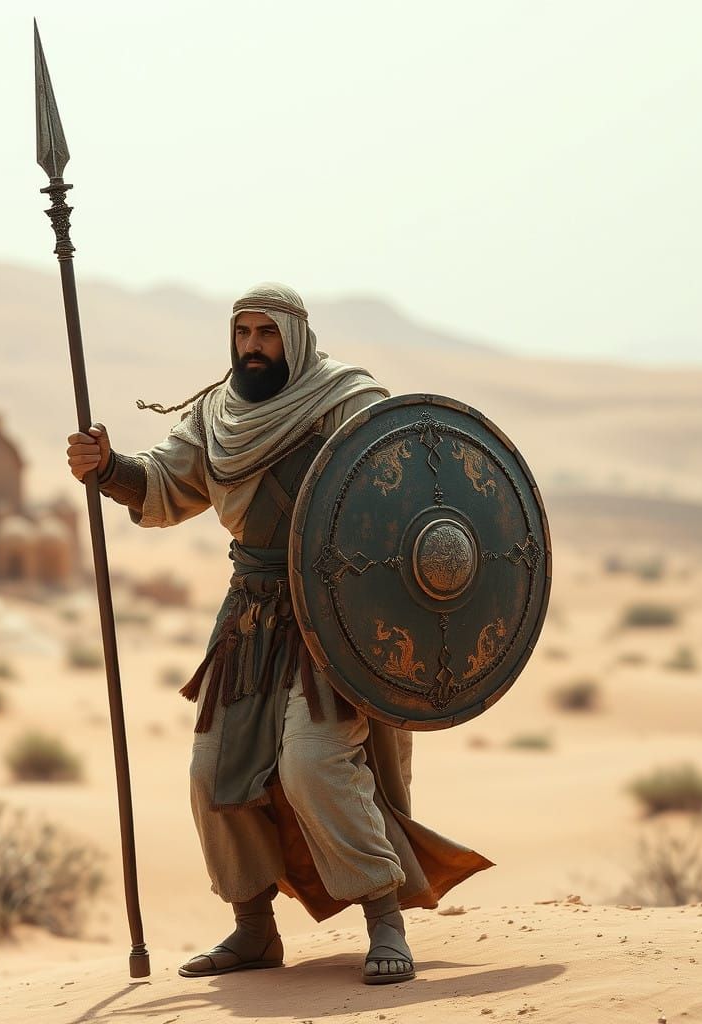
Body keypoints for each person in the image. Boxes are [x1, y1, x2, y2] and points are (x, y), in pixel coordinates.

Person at [66, 282, 491, 985]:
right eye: (244, 333)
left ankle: (384, 918)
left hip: (337, 616)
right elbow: (168, 484)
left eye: (267, 334)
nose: (254, 346)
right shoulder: (217, 416)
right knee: (213, 774)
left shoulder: (345, 403)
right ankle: (253, 930)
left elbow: (406, 486)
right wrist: (109, 468)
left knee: (314, 763)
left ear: (293, 338)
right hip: (252, 616)